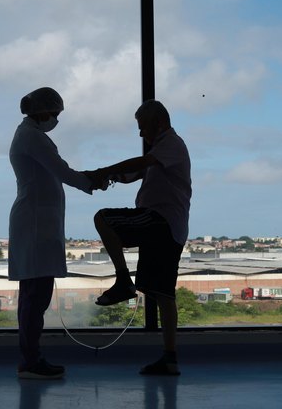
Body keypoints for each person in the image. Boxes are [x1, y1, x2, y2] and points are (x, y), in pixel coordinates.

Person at [88, 99, 191, 376]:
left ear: (158, 123)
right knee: (163, 294)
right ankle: (170, 358)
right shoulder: (163, 151)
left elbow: (142, 163)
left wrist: (103, 172)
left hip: (159, 220)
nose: (140, 133)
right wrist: (112, 177)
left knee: (103, 219)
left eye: (142, 126)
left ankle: (123, 280)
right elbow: (138, 172)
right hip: (172, 229)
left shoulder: (171, 144)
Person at [8, 86, 96, 380]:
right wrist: (93, 181)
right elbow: (63, 172)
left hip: (36, 223)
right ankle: (31, 361)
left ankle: (30, 358)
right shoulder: (33, 138)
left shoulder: (28, 135)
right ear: (42, 112)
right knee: (35, 296)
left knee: (33, 296)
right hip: (35, 226)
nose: (56, 120)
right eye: (55, 114)